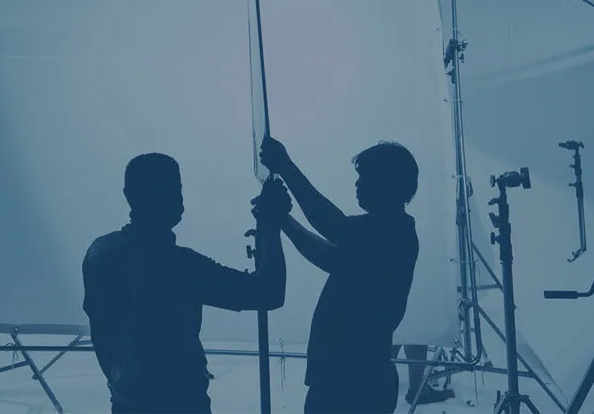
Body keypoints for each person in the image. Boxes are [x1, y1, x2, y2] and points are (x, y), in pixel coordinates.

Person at [83, 153, 291, 413]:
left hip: (125, 401)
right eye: (166, 189)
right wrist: (271, 225)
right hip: (181, 402)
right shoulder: (179, 265)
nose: (177, 198)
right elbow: (268, 293)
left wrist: (119, 383)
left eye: (176, 188)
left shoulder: (99, 253)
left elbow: (99, 329)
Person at [259, 137, 420, 414]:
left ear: (387, 184)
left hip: (352, 380)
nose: (358, 185)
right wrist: (282, 218)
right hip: (349, 377)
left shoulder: (391, 233)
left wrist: (285, 167)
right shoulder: (388, 231)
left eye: (365, 178)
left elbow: (332, 226)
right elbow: (328, 256)